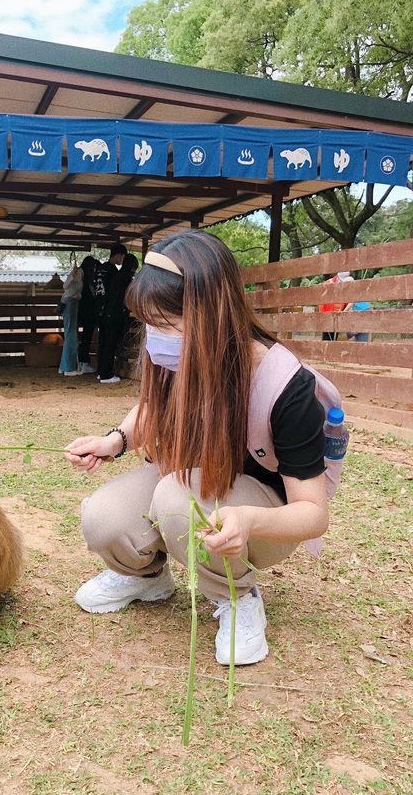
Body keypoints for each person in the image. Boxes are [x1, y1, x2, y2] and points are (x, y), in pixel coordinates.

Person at [65, 230, 330, 666]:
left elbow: (313, 515)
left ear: (212, 312)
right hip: (191, 481)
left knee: (176, 500)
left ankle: (238, 597)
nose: (155, 337)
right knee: (103, 518)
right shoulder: (178, 356)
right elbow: (151, 406)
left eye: (164, 323)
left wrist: (246, 519)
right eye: (147, 323)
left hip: (259, 512)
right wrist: (115, 440)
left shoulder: (287, 385)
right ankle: (149, 578)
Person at [97, 253, 139, 384]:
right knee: (111, 344)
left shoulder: (116, 275)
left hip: (106, 313)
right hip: (116, 315)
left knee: (104, 343)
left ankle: (101, 372)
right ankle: (106, 375)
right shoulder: (127, 278)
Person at [58, 260, 83, 376]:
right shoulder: (77, 274)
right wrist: (73, 274)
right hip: (71, 302)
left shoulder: (78, 274)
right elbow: (65, 285)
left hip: (72, 302)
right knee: (71, 335)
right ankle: (68, 367)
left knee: (70, 335)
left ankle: (64, 366)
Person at [77, 255, 101, 374]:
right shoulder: (87, 282)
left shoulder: (86, 280)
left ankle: (82, 362)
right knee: (86, 338)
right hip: (88, 314)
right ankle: (84, 362)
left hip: (84, 313)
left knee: (85, 339)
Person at [319, 271, 351, 341]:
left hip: (338, 315)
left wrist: (343, 310)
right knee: (327, 337)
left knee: (334, 337)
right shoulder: (328, 283)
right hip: (328, 315)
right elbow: (322, 302)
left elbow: (346, 301)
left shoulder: (344, 285)